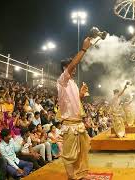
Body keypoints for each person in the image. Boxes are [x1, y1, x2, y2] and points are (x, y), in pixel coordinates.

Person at [56, 37, 91, 179]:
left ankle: (80, 175)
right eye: (72, 66)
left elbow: (75, 101)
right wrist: (84, 49)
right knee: (70, 154)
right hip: (70, 125)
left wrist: (81, 94)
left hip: (78, 124)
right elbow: (71, 66)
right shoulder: (62, 80)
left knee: (82, 151)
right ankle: (72, 177)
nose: (74, 69)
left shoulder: (73, 83)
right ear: (65, 68)